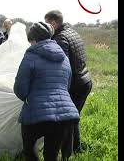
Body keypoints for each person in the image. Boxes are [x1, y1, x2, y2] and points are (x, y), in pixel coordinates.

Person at [14, 22, 79, 161]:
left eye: (30, 41)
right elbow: (67, 86)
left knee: (29, 150)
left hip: (36, 114)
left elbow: (20, 90)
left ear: (34, 40)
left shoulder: (30, 56)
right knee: (51, 154)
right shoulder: (64, 58)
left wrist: (30, 96)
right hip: (64, 116)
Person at [45, 10, 93, 155]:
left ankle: (68, 153)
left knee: (67, 121)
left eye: (47, 23)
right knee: (73, 119)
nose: (47, 27)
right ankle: (77, 148)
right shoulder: (72, 32)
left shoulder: (60, 38)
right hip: (85, 81)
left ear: (53, 23)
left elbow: (62, 67)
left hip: (75, 85)